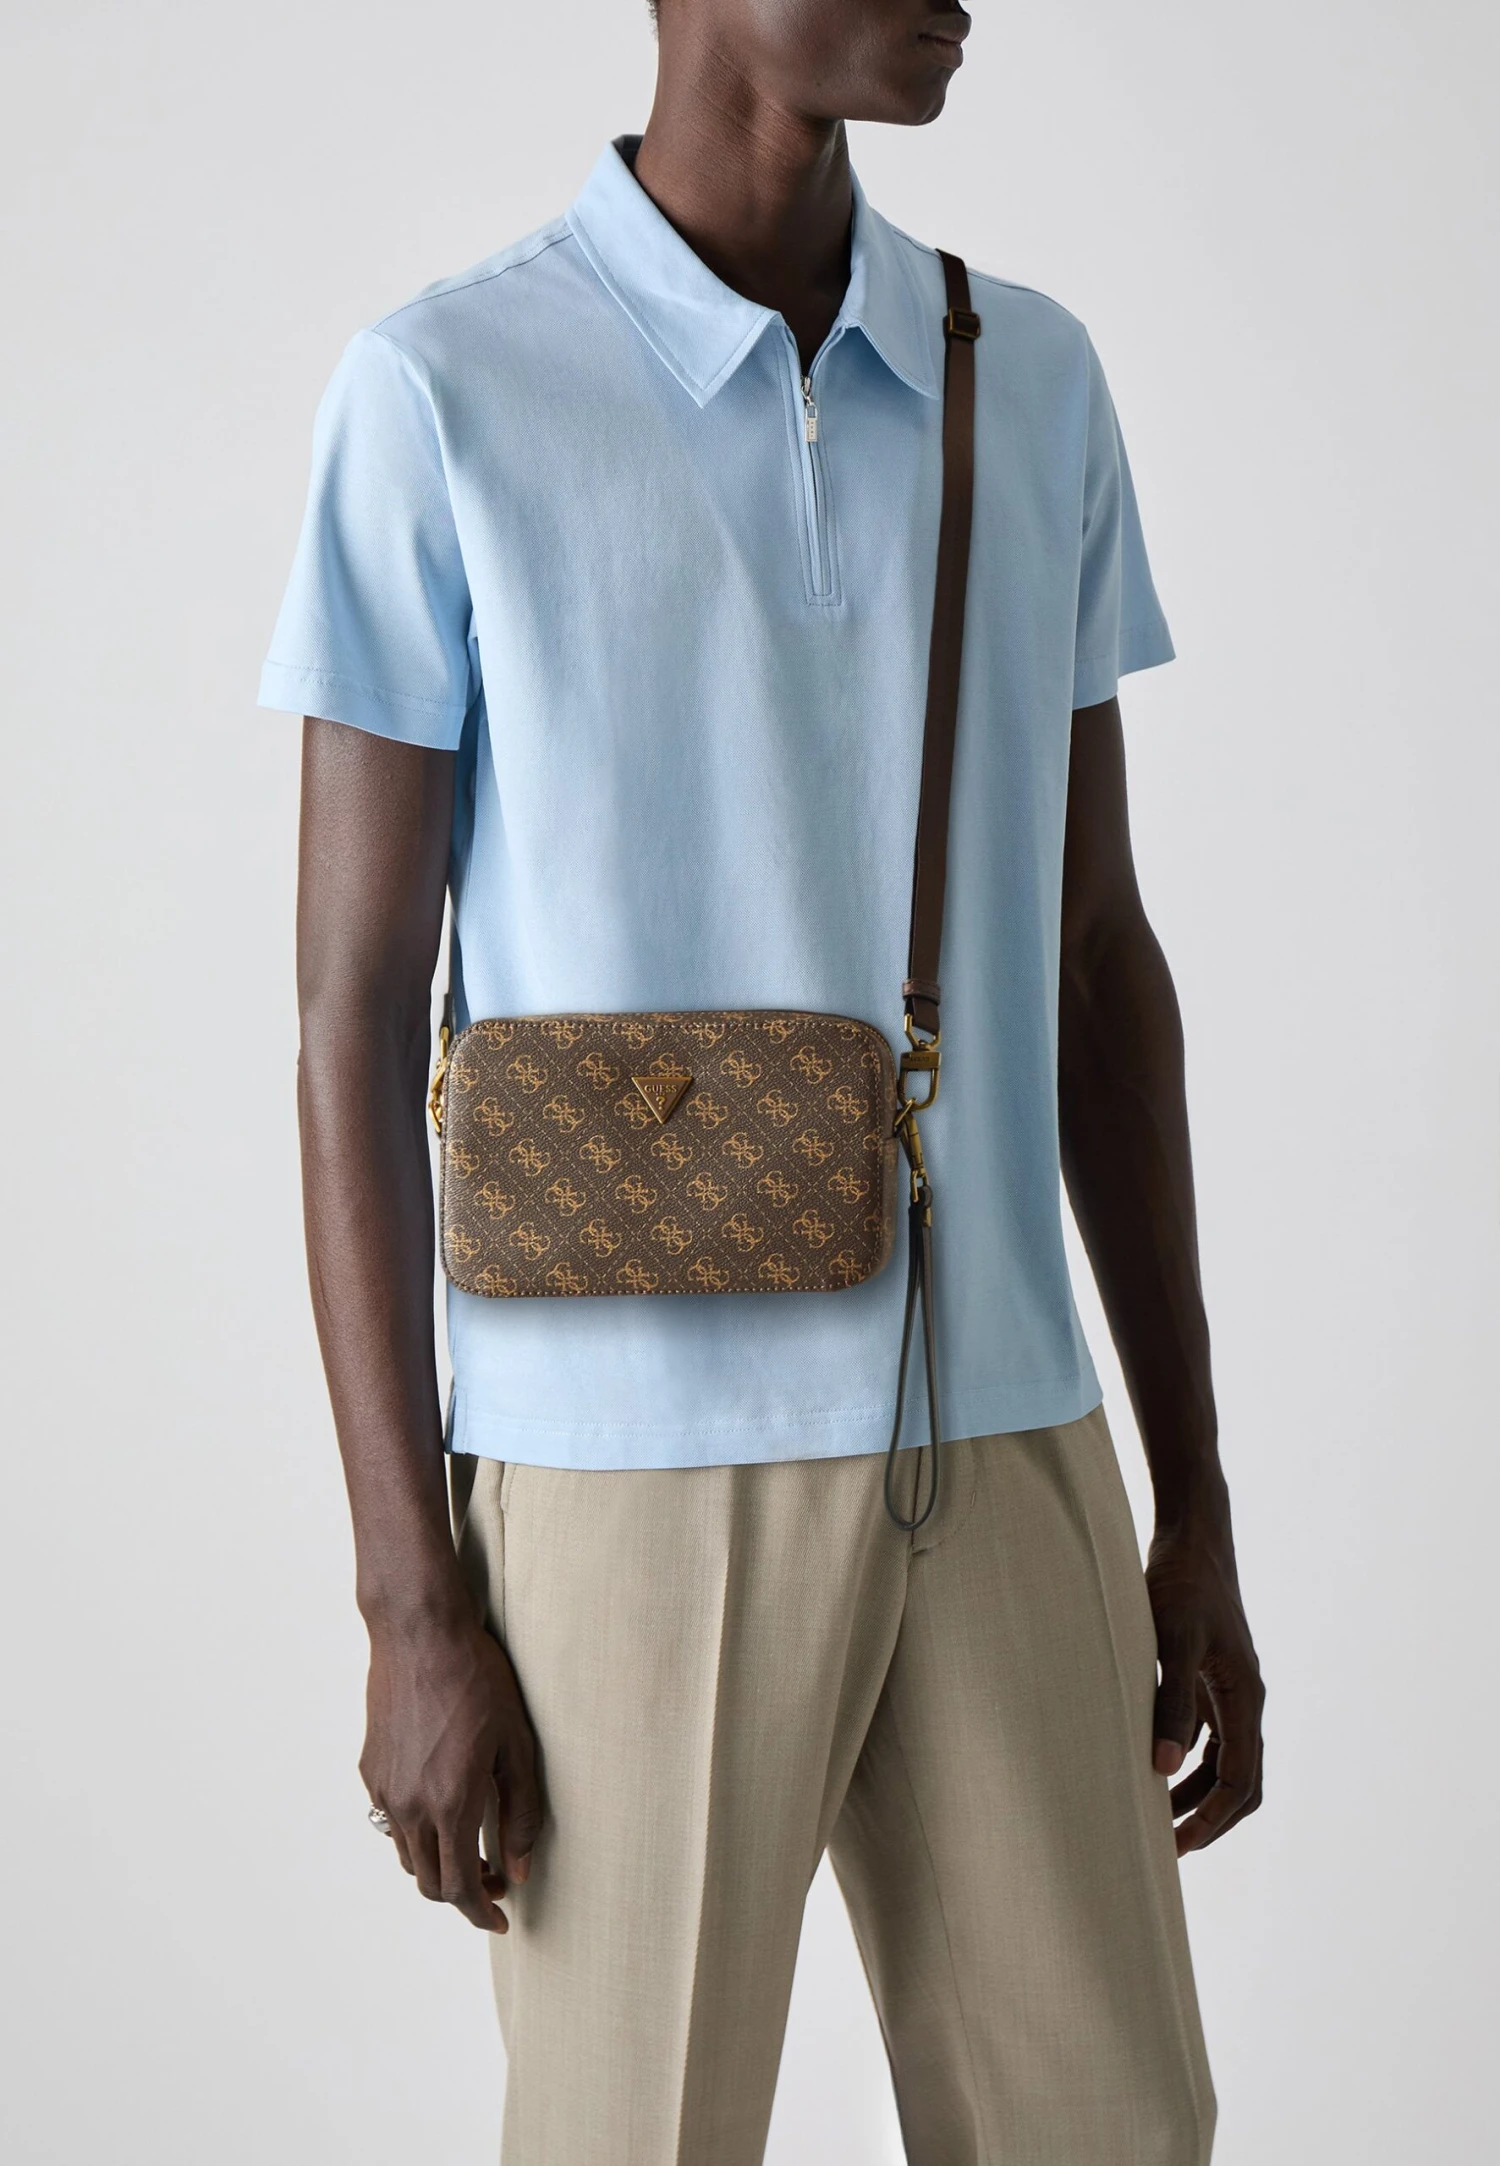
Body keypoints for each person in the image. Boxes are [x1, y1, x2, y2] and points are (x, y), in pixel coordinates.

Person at [261, 2, 1263, 2159]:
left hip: (1007, 1433)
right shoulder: (444, 391)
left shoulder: (1029, 379)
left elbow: (1100, 957)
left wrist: (1193, 1502)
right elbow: (350, 1018)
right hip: (624, 1461)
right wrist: (406, 1598)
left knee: (1113, 2128)